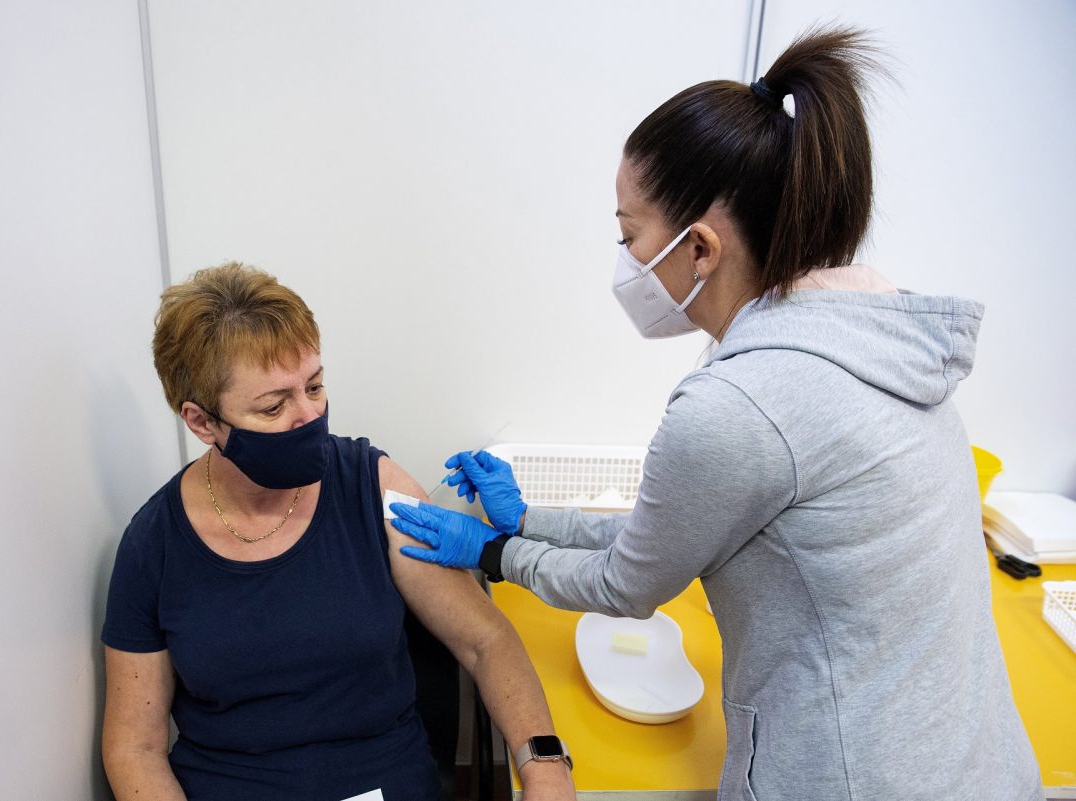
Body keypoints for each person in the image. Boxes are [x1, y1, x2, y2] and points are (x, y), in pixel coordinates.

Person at [389, 27, 1043, 801]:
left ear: (700, 247)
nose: (626, 261)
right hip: (979, 766)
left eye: (630, 235)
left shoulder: (740, 406)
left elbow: (628, 583)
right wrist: (531, 519)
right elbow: (670, 536)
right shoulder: (877, 345)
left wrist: (495, 552)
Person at [100, 263, 575, 801]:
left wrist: (545, 768)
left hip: (380, 780)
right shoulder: (154, 545)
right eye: (274, 406)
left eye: (315, 386)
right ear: (202, 422)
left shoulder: (371, 487)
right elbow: (134, 748)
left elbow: (485, 641)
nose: (310, 415)